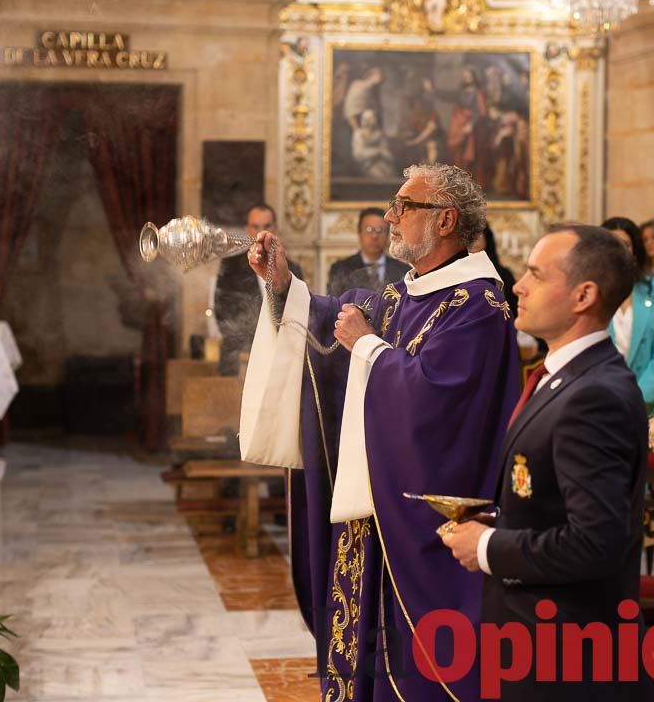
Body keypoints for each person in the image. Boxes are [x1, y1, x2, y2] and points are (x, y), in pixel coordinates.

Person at [240, 163, 522, 700]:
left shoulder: (479, 307)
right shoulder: (401, 295)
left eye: (402, 206)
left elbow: (436, 405)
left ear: (445, 219)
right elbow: (334, 321)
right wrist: (283, 286)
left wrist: (367, 348)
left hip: (423, 520)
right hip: (371, 512)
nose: (390, 217)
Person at [440, 224, 654, 702]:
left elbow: (596, 542)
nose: (518, 285)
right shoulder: (564, 377)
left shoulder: (594, 394)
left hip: (570, 659)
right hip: (537, 648)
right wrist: (501, 518)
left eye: (537, 276)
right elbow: (555, 499)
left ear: (583, 295)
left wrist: (488, 547)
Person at [212, 203, 302, 376]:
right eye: (256, 227)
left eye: (267, 227)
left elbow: (297, 313)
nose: (262, 233)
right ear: (247, 230)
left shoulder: (292, 268)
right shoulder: (231, 267)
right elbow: (223, 313)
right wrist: (254, 347)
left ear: (275, 229)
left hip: (281, 358)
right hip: (240, 357)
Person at [602, 217, 654, 409]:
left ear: (635, 251)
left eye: (625, 244)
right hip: (601, 400)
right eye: (611, 244)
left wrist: (638, 395)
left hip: (644, 403)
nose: (618, 250)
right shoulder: (589, 292)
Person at [327, 207, 410, 297]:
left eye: (380, 230)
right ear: (359, 234)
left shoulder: (403, 271)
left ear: (388, 235)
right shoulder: (340, 269)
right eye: (369, 230)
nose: (374, 236)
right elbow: (334, 306)